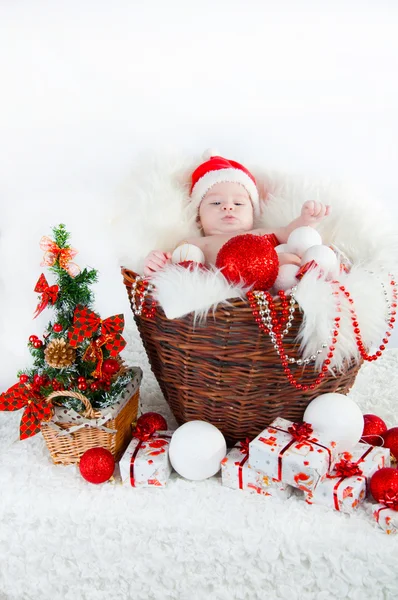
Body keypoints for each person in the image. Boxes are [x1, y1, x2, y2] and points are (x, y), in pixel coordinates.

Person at [143, 154, 331, 276]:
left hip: (271, 291)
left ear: (253, 213)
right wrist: (158, 263)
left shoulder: (262, 233)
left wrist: (307, 221)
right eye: (216, 203)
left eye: (239, 203)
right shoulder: (193, 244)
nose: (228, 208)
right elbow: (175, 268)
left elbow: (295, 235)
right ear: (199, 217)